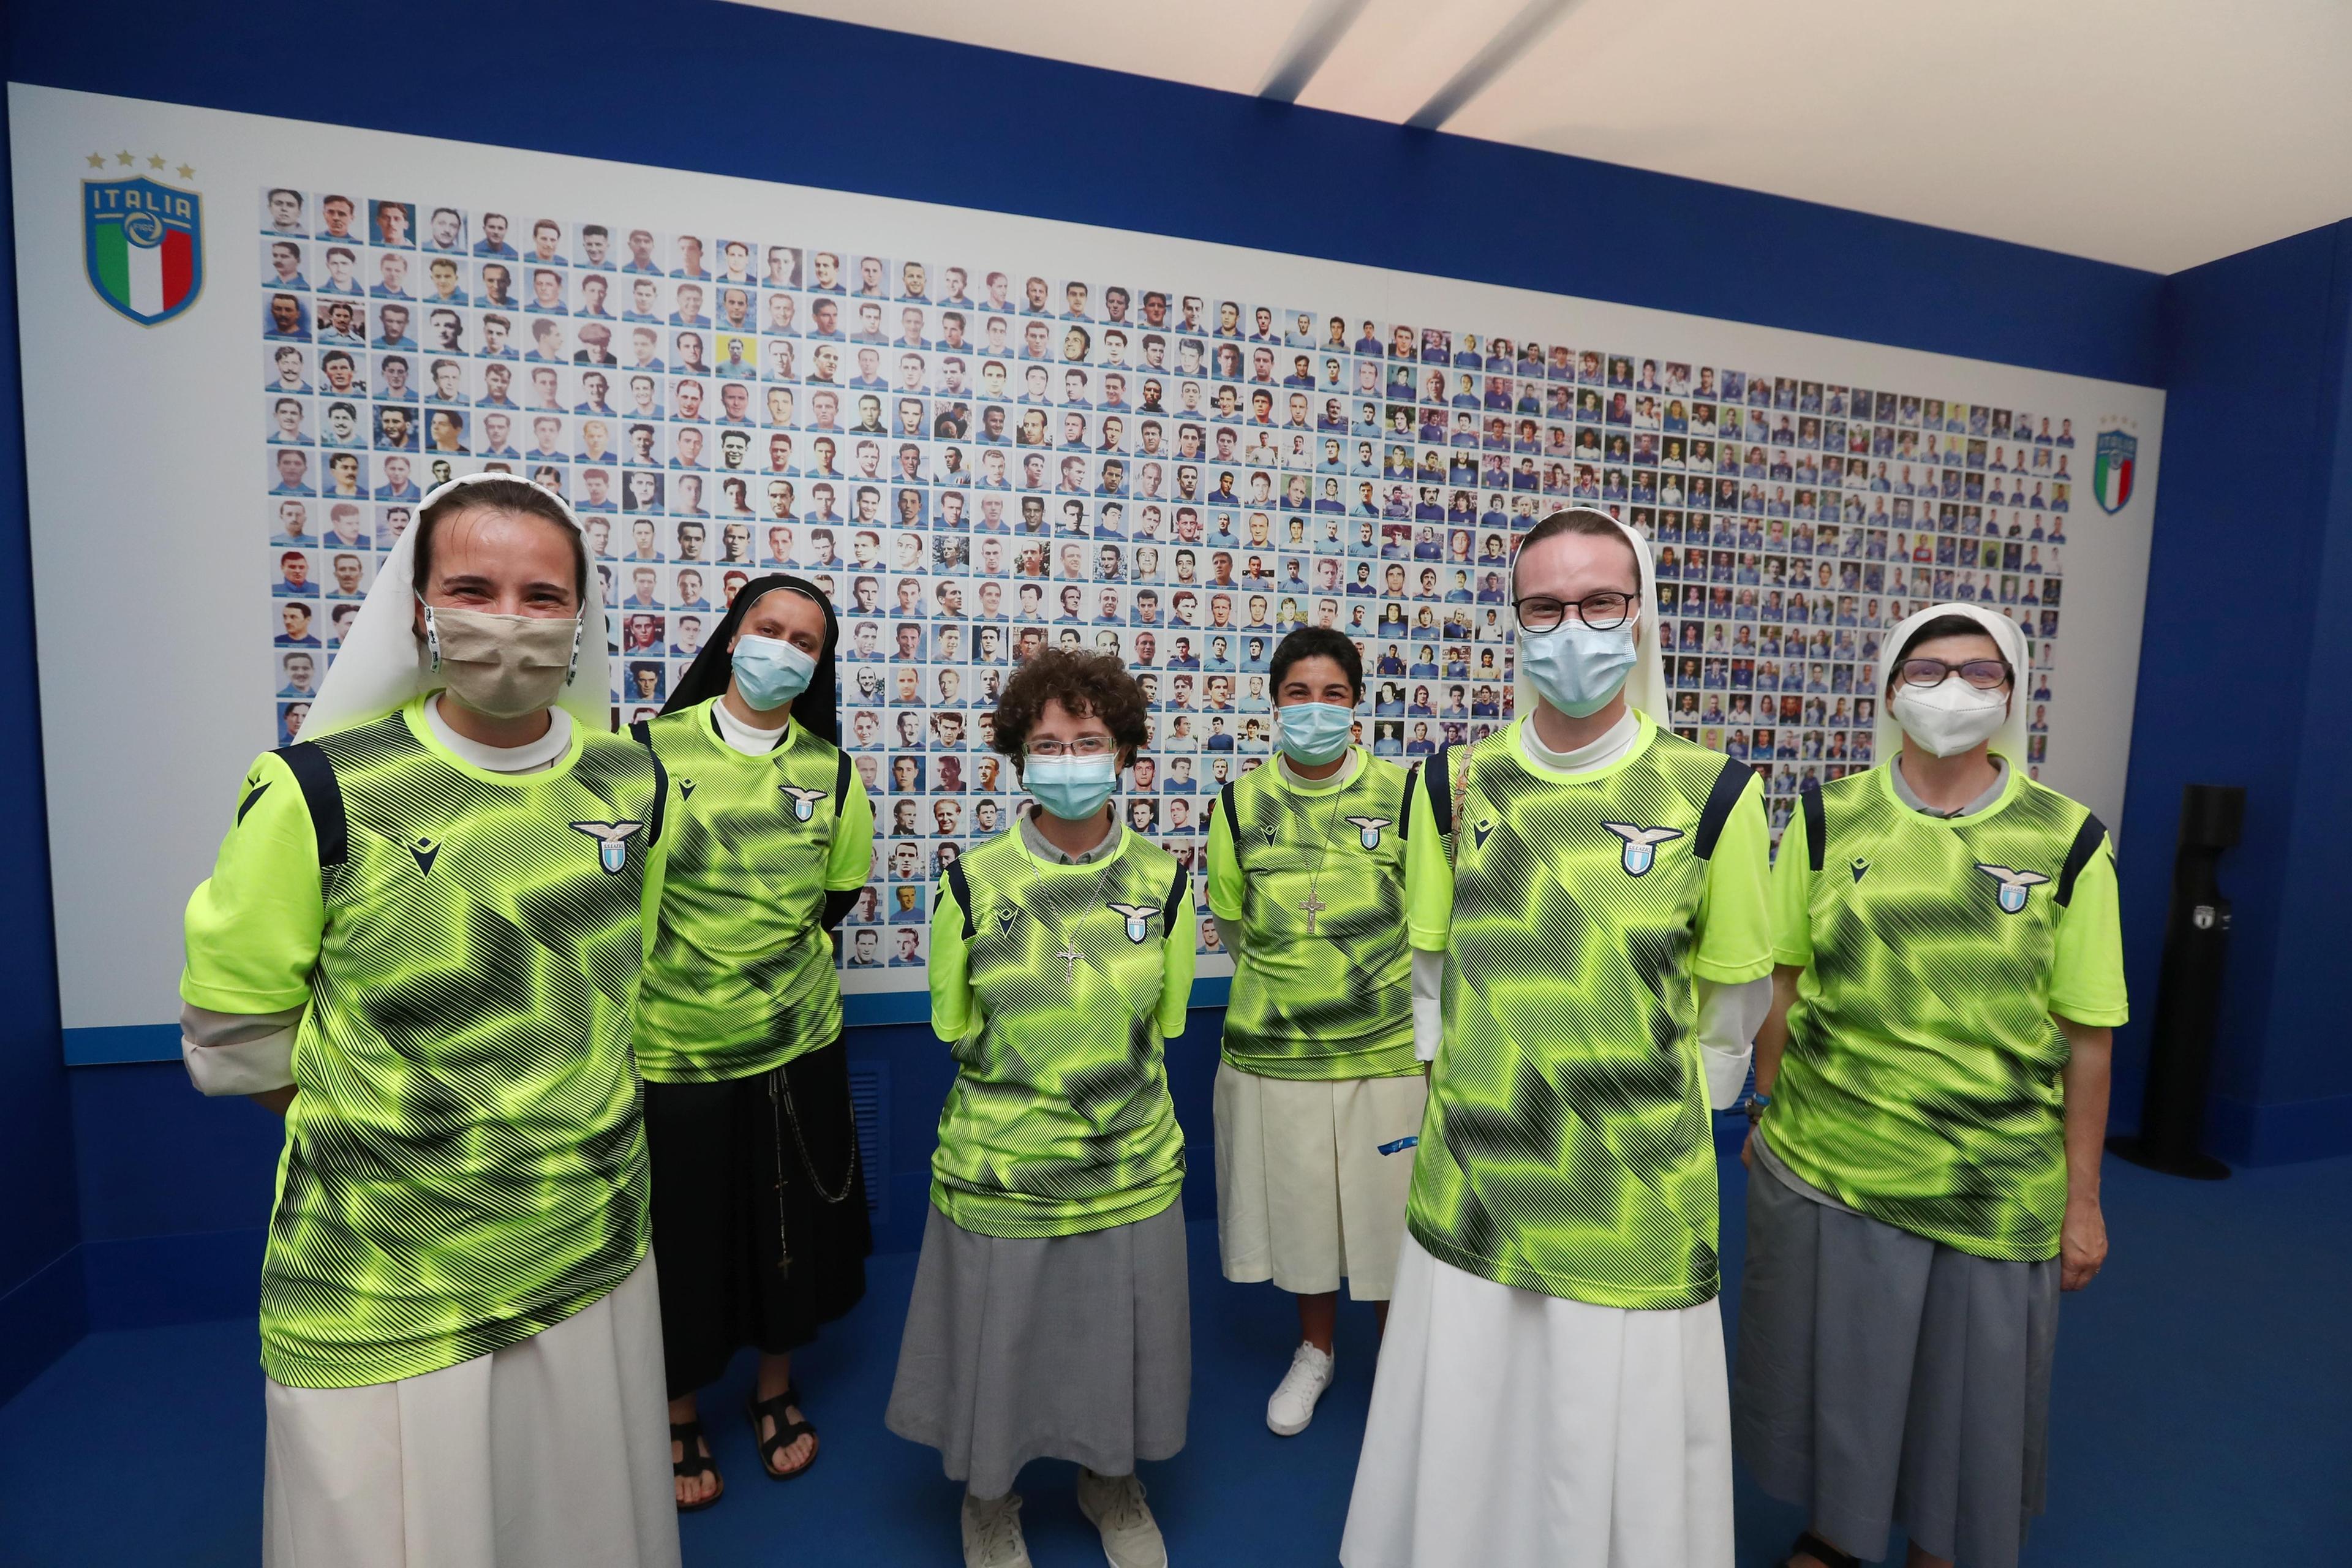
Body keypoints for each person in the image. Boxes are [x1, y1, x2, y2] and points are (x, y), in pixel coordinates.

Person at [178, 475, 680, 1568]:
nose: (508, 621)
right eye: (472, 589)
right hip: (385, 1270)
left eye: (542, 596)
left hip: (588, 1235)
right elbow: (238, 1035)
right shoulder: (317, 790)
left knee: (578, 1517)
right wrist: (403, 1138)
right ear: (419, 611)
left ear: (581, 617)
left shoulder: (634, 784)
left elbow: (616, 983)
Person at [1343, 507, 1773, 1568]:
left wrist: (1657, 1122)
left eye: (1599, 603)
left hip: (1633, 1187)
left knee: (1600, 1439)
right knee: (1473, 1424)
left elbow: (1730, 1004)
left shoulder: (1716, 794)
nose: (1571, 628)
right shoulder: (1451, 786)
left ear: (1641, 615)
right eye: (1544, 607)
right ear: (1516, 621)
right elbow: (1434, 984)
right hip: (1480, 1172)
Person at [1732, 603, 2125, 1568]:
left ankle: (1940, 1546)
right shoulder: (1827, 819)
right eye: (1929, 669)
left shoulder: (2068, 842)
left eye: (1982, 673)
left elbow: (2088, 1038)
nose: (1954, 690)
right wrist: (1767, 1105)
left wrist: (2083, 1200)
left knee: (1967, 1395)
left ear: (2012, 694)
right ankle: (1838, 1532)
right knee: (1843, 1375)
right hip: (1834, 1161)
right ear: (1889, 689)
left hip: (1991, 1181)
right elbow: (1783, 979)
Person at [888, 650, 1193, 1568]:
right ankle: (989, 1500)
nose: (1069, 760)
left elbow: (1166, 1022)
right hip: (1004, 1164)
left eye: (1088, 741)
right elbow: (954, 1022)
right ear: (1019, 757)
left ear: (1124, 753)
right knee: (1004, 1341)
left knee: (1116, 1339)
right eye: (1048, 744)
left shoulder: (1165, 881)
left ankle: (1112, 1484)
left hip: (1128, 1159)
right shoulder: (972, 881)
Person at [630, 573, 876, 1511]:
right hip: (675, 1051)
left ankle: (775, 1389)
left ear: (820, 664)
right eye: (769, 629)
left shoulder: (830, 771)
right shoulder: (649, 752)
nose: (784, 650)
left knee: (788, 1233)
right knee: (682, 1239)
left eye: (805, 642)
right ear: (733, 637)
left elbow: (835, 896)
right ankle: (678, 1408)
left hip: (795, 1046)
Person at [1207, 625, 1423, 1437]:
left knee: (1389, 1219)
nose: (1315, 709)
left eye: (1333, 694)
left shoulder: (1404, 797)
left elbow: (1430, 921)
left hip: (1387, 1053)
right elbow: (1235, 925)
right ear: (1274, 704)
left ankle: (1402, 1362)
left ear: (1357, 705)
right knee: (1303, 1217)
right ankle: (1315, 1351)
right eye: (1298, 694)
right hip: (1278, 1054)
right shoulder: (1240, 805)